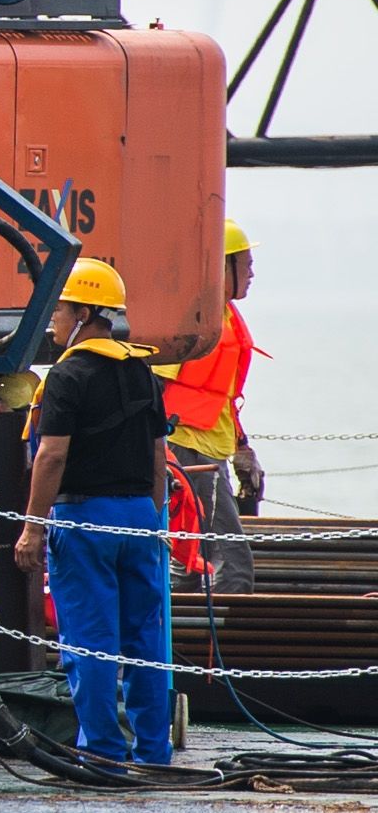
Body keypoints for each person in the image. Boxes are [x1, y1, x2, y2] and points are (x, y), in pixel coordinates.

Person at [16, 258, 176, 766]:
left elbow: (53, 455)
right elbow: (157, 461)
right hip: (139, 518)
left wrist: (32, 526)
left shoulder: (67, 375)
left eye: (59, 310)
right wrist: (151, 521)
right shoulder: (142, 372)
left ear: (84, 313)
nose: (53, 321)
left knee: (90, 642)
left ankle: (104, 752)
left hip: (84, 521)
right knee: (147, 640)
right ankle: (154, 751)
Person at [155, 218, 264, 593]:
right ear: (222, 267)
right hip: (186, 446)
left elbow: (223, 397)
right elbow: (155, 385)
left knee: (190, 558)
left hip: (208, 446)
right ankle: (230, 643)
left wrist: (242, 448)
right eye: (246, 264)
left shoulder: (227, 317)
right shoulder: (194, 319)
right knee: (231, 560)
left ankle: (179, 639)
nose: (252, 273)